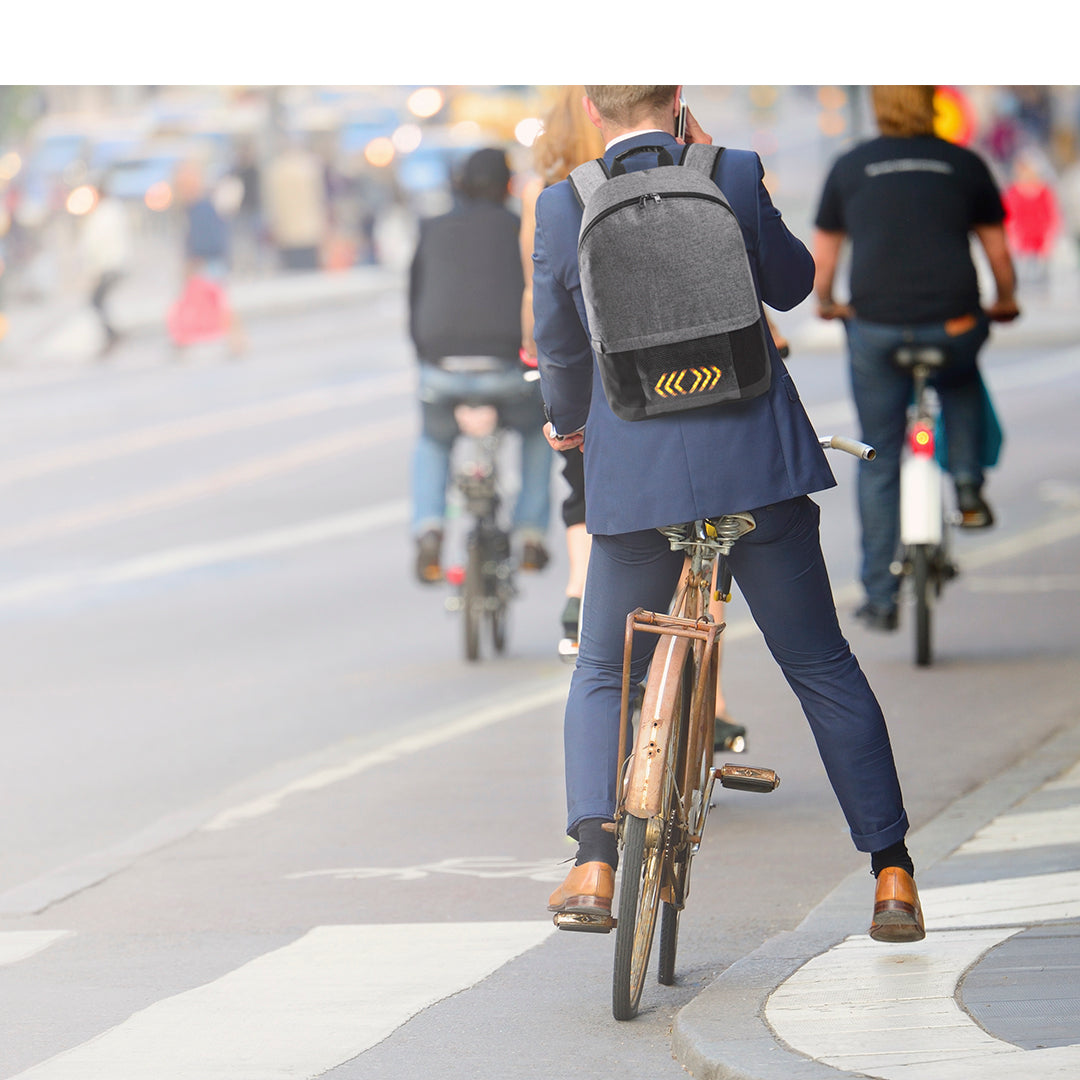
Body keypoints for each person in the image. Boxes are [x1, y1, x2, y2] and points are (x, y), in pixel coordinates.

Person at [534, 86, 923, 943]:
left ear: (594, 109)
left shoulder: (563, 205)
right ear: (676, 100)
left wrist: (570, 426)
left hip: (636, 483)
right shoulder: (732, 171)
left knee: (605, 670)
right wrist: (730, 175)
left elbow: (561, 347)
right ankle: (890, 871)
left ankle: (596, 856)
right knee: (822, 665)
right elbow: (792, 286)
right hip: (758, 466)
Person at [520, 86, 744, 751]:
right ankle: (715, 701)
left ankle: (580, 589)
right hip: (676, 391)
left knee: (589, 499)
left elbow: (547, 321)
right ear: (672, 104)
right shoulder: (679, 179)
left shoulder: (554, 199)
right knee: (708, 553)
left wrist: (559, 408)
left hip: (584, 387)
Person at [813, 86, 1020, 632]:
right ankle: (970, 483)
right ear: (932, 104)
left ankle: (880, 595)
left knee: (878, 455)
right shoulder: (964, 162)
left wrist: (828, 303)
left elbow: (825, 255)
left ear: (879, 108)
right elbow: (997, 250)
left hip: (875, 328)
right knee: (960, 375)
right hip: (953, 323)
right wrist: (1005, 299)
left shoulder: (851, 165)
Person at [409, 147, 552, 584]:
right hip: (507, 368)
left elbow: (414, 300)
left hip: (442, 368)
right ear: (509, 186)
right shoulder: (518, 230)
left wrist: (428, 355)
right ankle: (530, 532)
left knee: (434, 440)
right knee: (536, 433)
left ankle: (429, 526)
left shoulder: (432, 229)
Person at [80, 175, 131, 358]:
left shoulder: (105, 213)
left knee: (97, 301)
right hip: (112, 262)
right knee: (98, 302)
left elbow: (96, 244)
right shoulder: (110, 210)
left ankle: (112, 334)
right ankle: (111, 334)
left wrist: (94, 270)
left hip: (109, 264)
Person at [263, 135, 328, 272]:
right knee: (310, 271)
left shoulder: (277, 169)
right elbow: (319, 199)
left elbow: (274, 204)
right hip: (309, 227)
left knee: (293, 273)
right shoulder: (310, 167)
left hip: (288, 230)